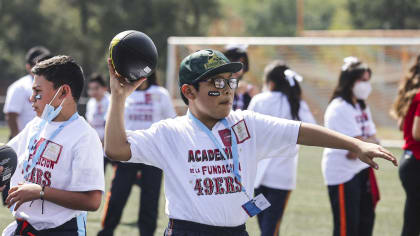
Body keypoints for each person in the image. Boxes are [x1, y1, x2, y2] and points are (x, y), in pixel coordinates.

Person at [104, 49, 397, 236]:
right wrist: (118, 98)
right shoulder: (171, 132)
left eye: (230, 81)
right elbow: (116, 149)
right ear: (189, 91)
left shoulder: (247, 123)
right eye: (216, 83)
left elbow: (301, 131)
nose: (228, 90)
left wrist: (355, 145)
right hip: (187, 231)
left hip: (237, 231)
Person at [1, 55, 105, 235]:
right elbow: (8, 153)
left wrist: (40, 191)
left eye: (37, 91)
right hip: (26, 226)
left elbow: (92, 201)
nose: (31, 98)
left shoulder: (84, 136)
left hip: (62, 230)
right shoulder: (36, 125)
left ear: (64, 92)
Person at [98, 73, 175, 236]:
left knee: (150, 200)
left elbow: (172, 122)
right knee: (117, 196)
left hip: (153, 156)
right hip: (127, 153)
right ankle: (107, 231)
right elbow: (111, 121)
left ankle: (147, 233)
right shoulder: (124, 92)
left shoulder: (161, 94)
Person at [248, 61, 316, 236]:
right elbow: (313, 129)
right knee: (271, 227)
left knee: (263, 223)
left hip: (257, 175)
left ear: (270, 83)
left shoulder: (259, 100)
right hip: (282, 177)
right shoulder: (295, 103)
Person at [322, 57, 381, 236]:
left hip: (361, 171)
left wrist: (365, 142)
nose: (366, 85)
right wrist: (366, 143)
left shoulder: (362, 106)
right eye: (362, 80)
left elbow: (372, 141)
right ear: (349, 81)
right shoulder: (339, 108)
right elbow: (354, 151)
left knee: (365, 224)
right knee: (347, 228)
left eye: (368, 80)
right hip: (343, 174)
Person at [2, 46, 51, 206]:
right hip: (23, 140)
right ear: (28, 66)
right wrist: (19, 138)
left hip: (43, 141)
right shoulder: (20, 86)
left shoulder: (50, 86)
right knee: (13, 188)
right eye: (37, 64)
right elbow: (11, 114)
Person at [390, 54, 420, 236]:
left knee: (412, 221)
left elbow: (401, 124)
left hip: (409, 159)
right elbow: (417, 133)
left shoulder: (413, 91)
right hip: (416, 162)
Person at [85, 73, 111, 171]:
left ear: (104, 88)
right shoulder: (90, 103)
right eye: (91, 89)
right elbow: (90, 124)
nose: (93, 91)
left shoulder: (111, 101)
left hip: (112, 146)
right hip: (97, 148)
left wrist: (105, 142)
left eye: (96, 88)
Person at [223, 45, 253, 110]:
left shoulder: (249, 91)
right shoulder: (215, 87)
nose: (237, 68)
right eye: (233, 62)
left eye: (241, 63)